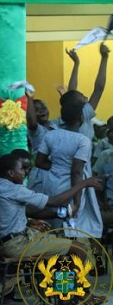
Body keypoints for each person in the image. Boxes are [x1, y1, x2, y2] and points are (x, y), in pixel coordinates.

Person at [36, 102, 104, 238]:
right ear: (81, 118)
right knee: (73, 225)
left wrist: (57, 167)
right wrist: (77, 203)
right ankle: (73, 255)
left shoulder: (50, 135)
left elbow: (39, 162)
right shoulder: (83, 140)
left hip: (52, 183)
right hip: (73, 186)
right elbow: (76, 172)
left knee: (54, 224)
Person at [51, 43, 109, 141]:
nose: (86, 97)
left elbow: (72, 92)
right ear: (77, 105)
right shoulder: (83, 114)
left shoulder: (61, 119)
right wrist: (104, 58)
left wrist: (76, 64)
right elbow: (98, 89)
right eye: (82, 97)